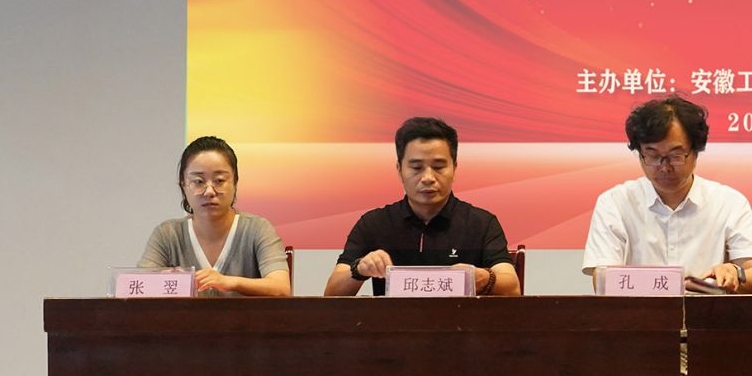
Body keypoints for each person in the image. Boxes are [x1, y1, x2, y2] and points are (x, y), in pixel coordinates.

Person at [582, 95, 752, 293]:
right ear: (640, 154)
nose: (665, 167)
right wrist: (671, 284)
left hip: (709, 312)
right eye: (652, 155)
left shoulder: (729, 202)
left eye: (676, 156)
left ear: (695, 152)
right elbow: (603, 282)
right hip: (639, 312)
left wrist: (735, 273)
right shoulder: (615, 203)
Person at [325, 116, 521, 297]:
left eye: (438, 167)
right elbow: (332, 293)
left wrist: (483, 278)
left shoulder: (481, 223)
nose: (428, 178)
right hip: (394, 324)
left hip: (462, 324)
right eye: (416, 167)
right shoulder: (374, 223)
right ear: (399, 170)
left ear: (454, 168)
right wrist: (359, 269)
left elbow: (512, 287)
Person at [138, 135, 292, 296]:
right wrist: (164, 280)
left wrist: (230, 282)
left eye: (219, 180)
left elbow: (281, 289)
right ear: (183, 185)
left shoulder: (257, 229)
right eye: (198, 181)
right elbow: (137, 289)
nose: (209, 191)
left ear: (235, 183)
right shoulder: (167, 234)